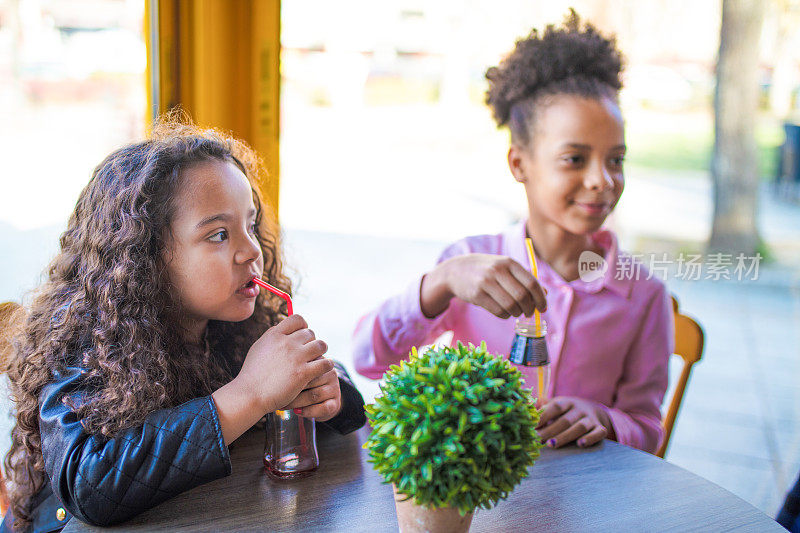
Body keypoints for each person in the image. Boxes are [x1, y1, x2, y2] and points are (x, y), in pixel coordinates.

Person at [0, 117, 366, 532]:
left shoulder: (239, 326)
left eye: (250, 224)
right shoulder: (84, 348)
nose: (251, 251)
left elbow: (349, 405)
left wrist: (330, 394)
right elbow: (92, 486)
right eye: (218, 235)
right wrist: (248, 394)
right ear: (146, 259)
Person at [353, 11, 673, 455]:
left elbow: (647, 429)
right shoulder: (468, 265)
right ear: (519, 164)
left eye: (615, 159)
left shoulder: (644, 296)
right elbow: (370, 360)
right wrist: (440, 283)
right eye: (575, 159)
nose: (603, 179)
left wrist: (603, 418)